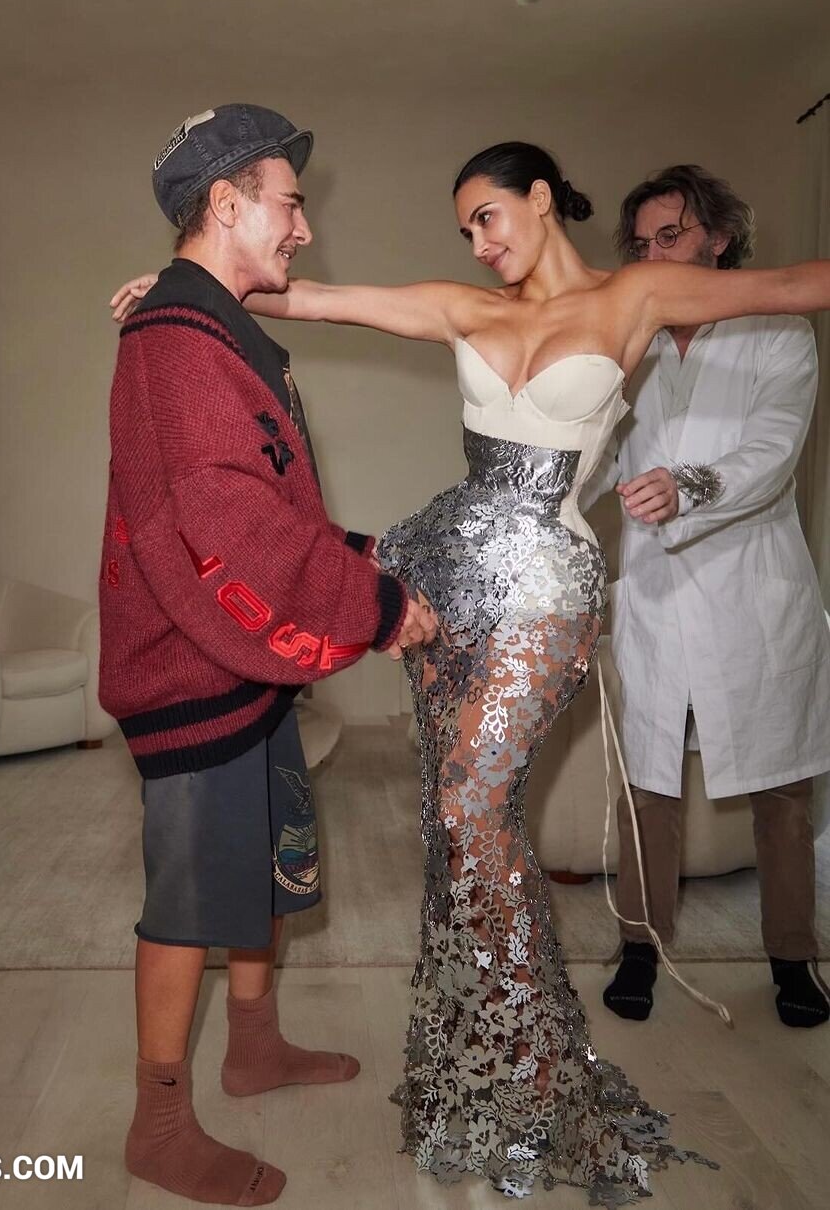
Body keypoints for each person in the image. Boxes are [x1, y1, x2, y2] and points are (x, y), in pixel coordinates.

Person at [111, 139, 830, 1204]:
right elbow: (319, 299)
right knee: (453, 822)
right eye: (466, 231)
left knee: (472, 807)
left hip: (549, 593)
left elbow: (799, 284)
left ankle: (530, 1062)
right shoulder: (464, 307)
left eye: (488, 218)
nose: (480, 245)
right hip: (458, 577)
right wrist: (184, 292)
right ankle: (479, 1060)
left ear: (540, 199)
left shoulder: (636, 293)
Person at [100, 102, 437, 1207]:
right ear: (226, 203)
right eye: (289, 204)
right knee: (190, 898)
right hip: (191, 668)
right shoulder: (178, 346)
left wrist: (365, 559)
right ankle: (157, 1122)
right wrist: (378, 605)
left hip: (241, 663)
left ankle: (253, 1046)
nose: (303, 226)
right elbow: (234, 529)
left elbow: (276, 509)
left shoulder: (211, 332)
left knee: (270, 864)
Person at [579, 165, 830, 1029]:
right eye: (642, 243)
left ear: (719, 240)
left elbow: (773, 451)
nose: (654, 256)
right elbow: (598, 451)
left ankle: (793, 957)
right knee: (647, 780)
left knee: (782, 789)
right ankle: (640, 945)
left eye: (672, 236)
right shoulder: (634, 341)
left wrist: (687, 484)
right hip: (655, 589)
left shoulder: (779, 331)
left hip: (752, 588)